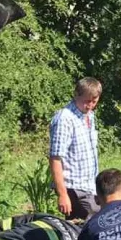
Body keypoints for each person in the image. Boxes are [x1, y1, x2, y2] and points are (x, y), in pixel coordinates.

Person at [49, 78, 103, 220]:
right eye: (87, 101)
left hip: (90, 185)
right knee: (90, 226)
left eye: (94, 101)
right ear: (76, 95)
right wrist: (62, 194)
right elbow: (55, 159)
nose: (90, 105)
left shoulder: (89, 115)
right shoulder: (64, 119)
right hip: (74, 187)